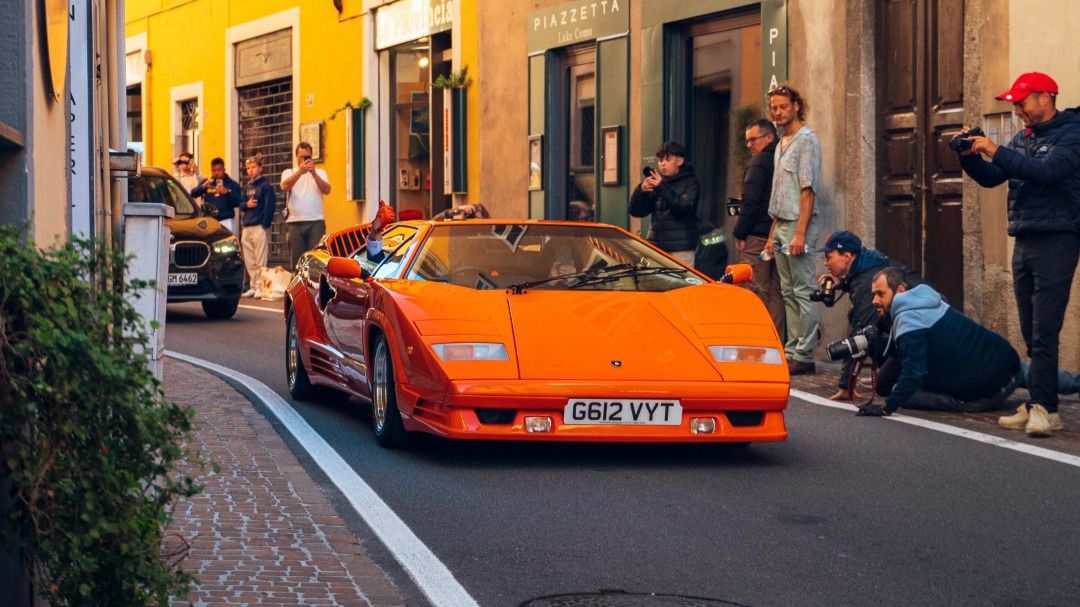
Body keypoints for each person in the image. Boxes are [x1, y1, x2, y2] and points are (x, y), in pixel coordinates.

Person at [956, 71, 1080, 436]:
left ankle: (1043, 408)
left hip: (1058, 237)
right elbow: (994, 176)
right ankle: (1040, 404)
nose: (1018, 110)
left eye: (1022, 102)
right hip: (1025, 236)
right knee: (1030, 328)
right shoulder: (1024, 137)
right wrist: (968, 155)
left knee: (1045, 329)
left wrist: (993, 149)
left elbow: (1046, 172)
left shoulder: (1071, 133)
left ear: (1046, 97)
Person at [857, 267, 1021, 418]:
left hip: (985, 394)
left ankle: (966, 399)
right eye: (873, 294)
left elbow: (914, 372)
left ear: (900, 290)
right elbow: (908, 349)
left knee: (906, 393)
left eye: (880, 294)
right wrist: (876, 344)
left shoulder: (908, 320)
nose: (874, 301)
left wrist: (886, 408)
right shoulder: (928, 300)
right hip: (1011, 364)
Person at [816, 230, 920, 401]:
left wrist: (845, 385)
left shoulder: (867, 282)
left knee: (883, 383)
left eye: (828, 257)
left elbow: (861, 334)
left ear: (847, 256)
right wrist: (843, 283)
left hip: (920, 341)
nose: (826, 263)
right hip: (913, 335)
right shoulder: (870, 264)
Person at [763, 84, 822, 375]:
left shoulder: (806, 141)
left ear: (796, 106)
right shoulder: (781, 143)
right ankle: (792, 348)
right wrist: (772, 235)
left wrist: (800, 233)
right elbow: (779, 193)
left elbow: (807, 190)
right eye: (774, 107)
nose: (778, 112)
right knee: (787, 291)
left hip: (799, 225)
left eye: (783, 106)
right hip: (782, 224)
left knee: (803, 290)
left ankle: (805, 352)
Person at [734, 118, 783, 334]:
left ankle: (756, 341)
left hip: (758, 235)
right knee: (777, 293)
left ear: (769, 137)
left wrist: (740, 232)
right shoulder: (783, 157)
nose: (749, 145)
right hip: (778, 234)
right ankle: (776, 344)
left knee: (754, 290)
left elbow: (751, 201)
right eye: (747, 141)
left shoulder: (760, 161)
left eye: (752, 140)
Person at [628, 141, 701, 267]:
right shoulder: (658, 183)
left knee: (682, 285)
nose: (662, 164)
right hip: (656, 247)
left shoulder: (690, 182)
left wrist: (661, 186)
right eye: (660, 160)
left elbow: (683, 207)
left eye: (667, 159)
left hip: (680, 248)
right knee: (654, 285)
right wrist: (641, 190)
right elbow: (636, 211)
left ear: (679, 161)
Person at [280, 142, 331, 268]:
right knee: (297, 261)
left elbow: (327, 190)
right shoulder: (289, 172)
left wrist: (314, 173)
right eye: (301, 156)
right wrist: (300, 172)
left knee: (317, 259)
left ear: (311, 157)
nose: (304, 159)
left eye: (307, 156)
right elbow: (284, 186)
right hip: (294, 223)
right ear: (296, 157)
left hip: (316, 222)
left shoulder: (320, 172)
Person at [240, 156, 276, 299]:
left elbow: (270, 205)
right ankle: (253, 286)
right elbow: (241, 203)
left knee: (260, 259)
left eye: (253, 167)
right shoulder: (247, 186)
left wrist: (265, 224)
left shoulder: (266, 186)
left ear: (260, 168)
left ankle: (261, 287)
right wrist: (246, 205)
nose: (250, 170)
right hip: (247, 225)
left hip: (259, 225)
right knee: (249, 259)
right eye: (248, 168)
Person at [190, 157, 242, 233]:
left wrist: (227, 192)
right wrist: (203, 187)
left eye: (219, 170)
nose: (216, 173)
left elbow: (238, 202)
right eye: (214, 170)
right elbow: (193, 194)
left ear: (224, 170)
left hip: (226, 221)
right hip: (209, 222)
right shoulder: (208, 182)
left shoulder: (232, 184)